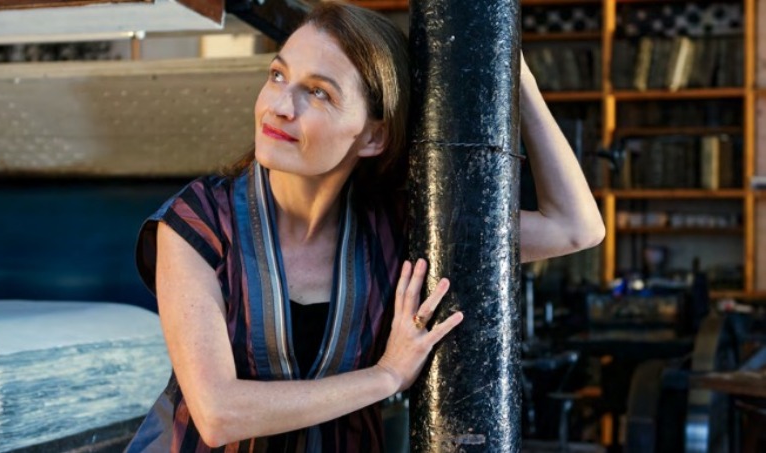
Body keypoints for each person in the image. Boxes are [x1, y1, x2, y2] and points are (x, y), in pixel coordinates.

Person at [126, 2, 605, 451]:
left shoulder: (399, 226)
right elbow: (218, 413)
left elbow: (575, 229)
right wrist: (386, 376)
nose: (280, 106)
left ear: (374, 136)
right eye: (277, 75)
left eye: (318, 92)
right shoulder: (200, 219)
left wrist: (513, 71)